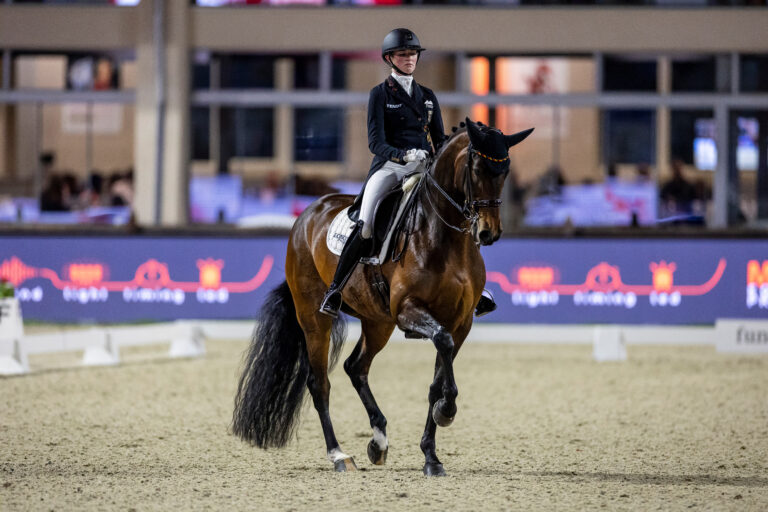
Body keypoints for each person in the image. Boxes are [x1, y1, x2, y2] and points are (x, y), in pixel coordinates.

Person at [319, 28, 497, 318]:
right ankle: (335, 289)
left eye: (413, 54)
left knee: (461, 212)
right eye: (403, 54)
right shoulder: (380, 94)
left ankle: (477, 287)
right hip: (390, 167)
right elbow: (375, 142)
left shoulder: (427, 96)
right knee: (365, 221)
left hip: (424, 168)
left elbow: (440, 139)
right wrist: (403, 154)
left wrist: (439, 157)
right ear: (390, 59)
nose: (410, 59)